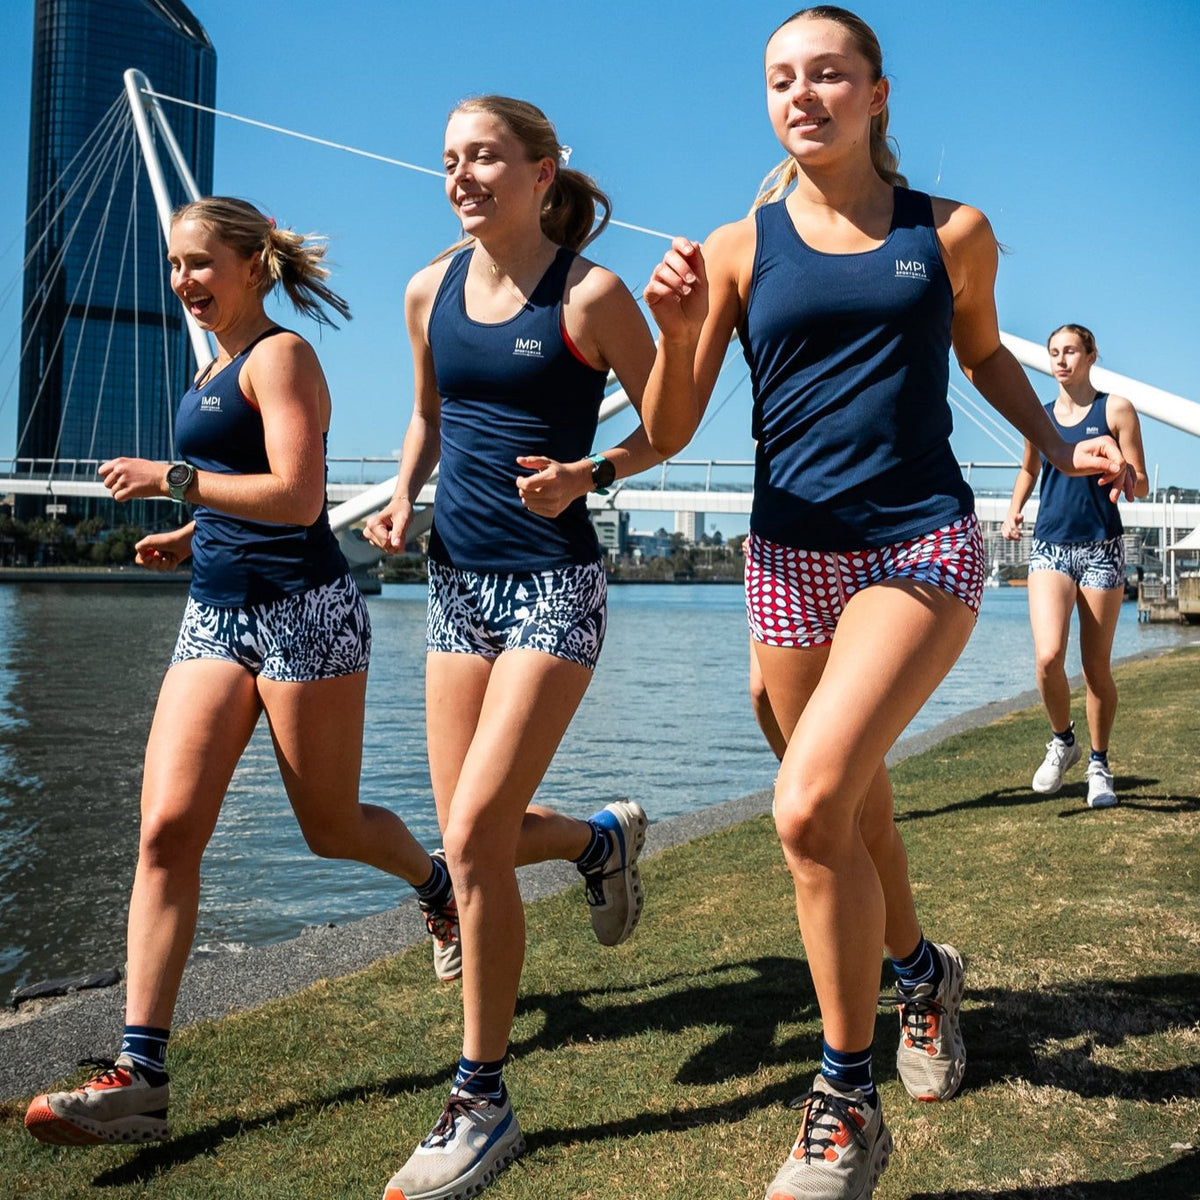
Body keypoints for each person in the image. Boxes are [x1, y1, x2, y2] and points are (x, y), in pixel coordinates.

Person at [640, 9, 1129, 1198]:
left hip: (918, 545)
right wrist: (667, 330)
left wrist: (1058, 452)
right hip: (787, 562)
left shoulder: (950, 233)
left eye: (827, 75)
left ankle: (843, 1103)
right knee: (855, 816)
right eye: (780, 80)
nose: (801, 95)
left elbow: (983, 357)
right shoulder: (738, 246)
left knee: (806, 809)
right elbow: (664, 427)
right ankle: (924, 977)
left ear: (876, 93)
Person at [24, 197, 455, 1147]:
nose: (182, 281)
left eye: (198, 263)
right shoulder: (211, 367)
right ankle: (141, 1071)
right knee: (167, 831)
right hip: (216, 617)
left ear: (254, 263)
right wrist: (191, 533)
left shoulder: (281, 357)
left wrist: (172, 481)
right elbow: (243, 492)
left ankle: (435, 888)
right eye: (174, 266)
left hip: (308, 614)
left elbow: (299, 496)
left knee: (329, 827)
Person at [363, 96, 659, 1200]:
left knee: (477, 831)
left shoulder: (589, 294)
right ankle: (597, 843)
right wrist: (400, 494)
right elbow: (430, 418)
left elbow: (667, 420)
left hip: (556, 584)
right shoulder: (426, 289)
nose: (463, 174)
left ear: (544, 172)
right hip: (456, 586)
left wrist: (594, 474)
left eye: (485, 155)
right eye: (449, 159)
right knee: (465, 835)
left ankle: (481, 1099)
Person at [1002, 324, 1147, 808]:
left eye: (1069, 351)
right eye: (1053, 353)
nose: (1060, 360)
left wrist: (1126, 473)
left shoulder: (1116, 409)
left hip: (1102, 547)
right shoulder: (1040, 417)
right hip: (1050, 548)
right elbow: (1030, 468)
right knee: (1047, 658)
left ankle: (1100, 766)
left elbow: (1141, 482)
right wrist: (1014, 508)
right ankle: (1063, 741)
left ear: (1091, 355)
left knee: (1095, 668)